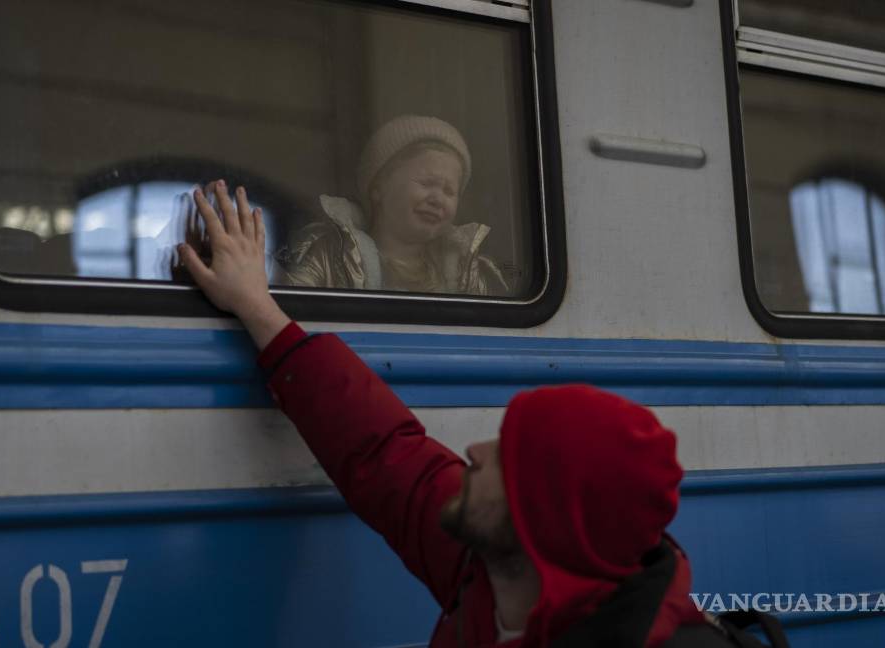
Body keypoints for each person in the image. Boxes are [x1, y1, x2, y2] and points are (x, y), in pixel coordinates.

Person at [177, 182, 752, 647]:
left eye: (508, 457)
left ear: (544, 518)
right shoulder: (495, 573)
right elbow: (382, 449)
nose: (474, 452)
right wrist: (256, 303)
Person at [277, 115, 512, 296]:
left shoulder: (464, 271)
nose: (437, 198)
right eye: (427, 183)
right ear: (378, 187)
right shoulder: (331, 254)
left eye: (449, 191)